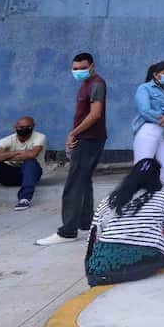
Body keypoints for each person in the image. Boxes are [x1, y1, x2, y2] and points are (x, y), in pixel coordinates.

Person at [37, 52, 108, 246]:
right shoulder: (85, 85)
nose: (78, 71)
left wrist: (73, 133)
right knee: (84, 181)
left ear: (92, 66)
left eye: (82, 68)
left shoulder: (97, 84)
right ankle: (86, 222)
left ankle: (68, 231)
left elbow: (95, 114)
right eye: (75, 68)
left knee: (74, 183)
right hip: (87, 137)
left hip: (89, 139)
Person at [84, 158, 164, 287]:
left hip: (102, 269)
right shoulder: (163, 196)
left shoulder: (109, 200)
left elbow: (93, 236)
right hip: (144, 263)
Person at [132, 60, 164, 200]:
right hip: (149, 128)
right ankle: (138, 203)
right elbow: (144, 110)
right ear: (155, 74)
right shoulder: (144, 88)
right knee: (142, 167)